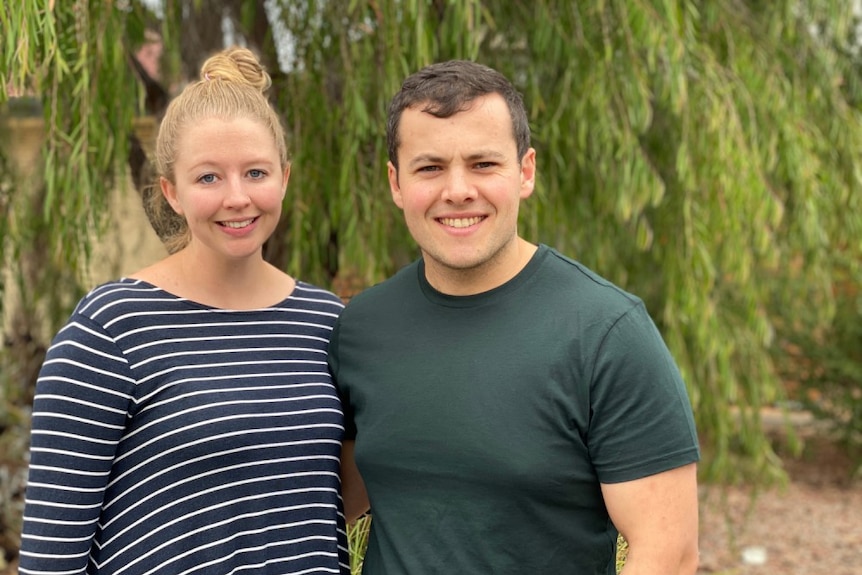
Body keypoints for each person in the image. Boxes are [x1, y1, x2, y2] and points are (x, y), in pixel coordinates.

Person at [329, 60, 701, 575]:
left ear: (525, 172)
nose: (457, 190)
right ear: (396, 182)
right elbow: (327, 504)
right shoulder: (361, 326)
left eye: (483, 164)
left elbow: (669, 553)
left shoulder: (606, 332)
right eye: (430, 167)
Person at [18, 47, 349, 575]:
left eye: (256, 172)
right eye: (208, 178)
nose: (237, 198)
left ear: (284, 177)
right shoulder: (111, 329)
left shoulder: (327, 323)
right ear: (171, 192)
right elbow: (51, 559)